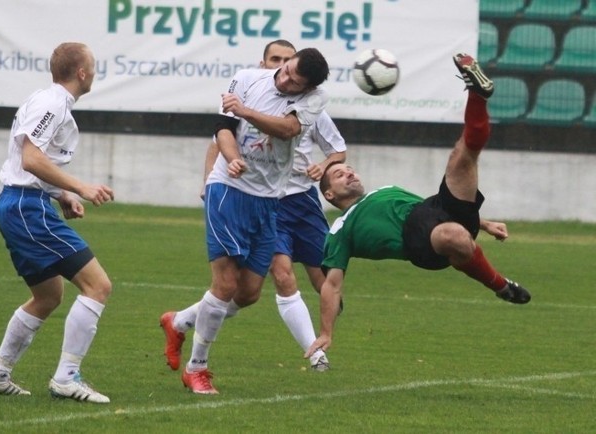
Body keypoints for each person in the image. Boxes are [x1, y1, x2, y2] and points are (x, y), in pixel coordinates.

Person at [304, 53, 531, 362]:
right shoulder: (342, 229)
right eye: (340, 174)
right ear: (329, 195)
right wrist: (327, 331)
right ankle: (501, 285)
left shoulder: (386, 191)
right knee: (453, 235)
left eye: (350, 169)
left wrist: (485, 223)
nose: (350, 172)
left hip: (433, 208)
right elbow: (331, 285)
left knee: (463, 154)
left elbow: (430, 208)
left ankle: (477, 94)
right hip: (420, 242)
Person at [161, 47, 330, 394]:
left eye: (293, 80)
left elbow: (286, 129)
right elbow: (223, 126)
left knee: (249, 292)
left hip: (269, 200)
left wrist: (246, 111)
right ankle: (197, 368)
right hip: (228, 190)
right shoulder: (247, 78)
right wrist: (233, 156)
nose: (283, 78)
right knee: (224, 284)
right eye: (285, 69)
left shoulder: (315, 99)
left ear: (307, 88)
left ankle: (179, 322)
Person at [0, 42, 114, 404]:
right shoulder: (52, 103)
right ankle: (67, 378)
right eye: (94, 67)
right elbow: (31, 159)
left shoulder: (49, 100)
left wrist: (62, 195)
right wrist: (80, 187)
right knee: (98, 286)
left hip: (21, 203)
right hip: (26, 207)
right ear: (82, 73)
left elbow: (33, 163)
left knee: (48, 295)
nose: (95, 73)